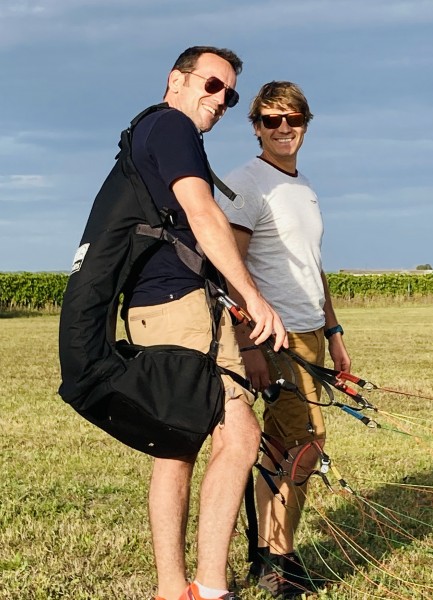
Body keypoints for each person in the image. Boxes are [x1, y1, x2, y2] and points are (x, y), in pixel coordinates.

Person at [123, 47, 287, 600]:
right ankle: (210, 587)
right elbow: (202, 211)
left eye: (230, 94)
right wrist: (253, 296)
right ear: (177, 79)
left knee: (178, 442)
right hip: (179, 309)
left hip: (155, 306)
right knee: (239, 434)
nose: (220, 100)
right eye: (212, 85)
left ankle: (174, 589)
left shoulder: (146, 131)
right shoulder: (172, 126)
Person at [216, 81, 351, 598]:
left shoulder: (304, 188)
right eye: (271, 120)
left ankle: (267, 552)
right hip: (275, 336)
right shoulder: (248, 184)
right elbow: (233, 269)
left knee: (282, 446)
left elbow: (313, 268)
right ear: (255, 127)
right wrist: (250, 342)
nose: (283, 128)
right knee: (303, 443)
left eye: (292, 119)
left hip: (311, 330)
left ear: (305, 124)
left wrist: (334, 331)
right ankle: (279, 559)